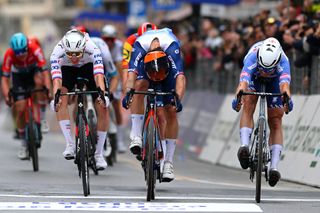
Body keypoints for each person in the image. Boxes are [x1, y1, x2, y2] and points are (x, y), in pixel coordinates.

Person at [122, 28, 186, 182]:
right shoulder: (139, 46)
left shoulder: (172, 47)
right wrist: (128, 93)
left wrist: (178, 98)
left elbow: (180, 78)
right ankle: (136, 134)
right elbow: (131, 75)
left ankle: (168, 162)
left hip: (167, 71)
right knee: (139, 85)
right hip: (146, 66)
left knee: (169, 111)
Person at [232, 37, 293, 187]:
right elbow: (244, 81)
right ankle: (245, 146)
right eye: (263, 69)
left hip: (275, 82)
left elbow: (284, 85)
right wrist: (239, 95)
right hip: (254, 77)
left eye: (269, 69)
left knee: (276, 121)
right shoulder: (253, 56)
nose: (265, 73)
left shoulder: (283, 62)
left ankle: (273, 167)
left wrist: (287, 99)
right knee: (248, 104)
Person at [50, 29, 109, 170]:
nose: (74, 57)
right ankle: (70, 144)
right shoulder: (56, 52)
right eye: (70, 54)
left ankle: (99, 154)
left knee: (103, 106)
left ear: (83, 47)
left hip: (88, 68)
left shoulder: (92, 47)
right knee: (61, 99)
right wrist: (56, 96)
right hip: (67, 70)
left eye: (77, 53)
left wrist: (102, 94)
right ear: (65, 49)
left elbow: (99, 75)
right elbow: (57, 81)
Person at [1, 32, 52, 159]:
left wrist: (48, 89)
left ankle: (43, 118)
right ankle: (23, 143)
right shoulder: (9, 54)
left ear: (27, 48)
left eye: (23, 51)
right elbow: (5, 78)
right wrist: (7, 95)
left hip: (34, 71)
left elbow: (45, 72)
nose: (21, 55)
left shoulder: (35, 49)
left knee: (40, 84)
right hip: (19, 76)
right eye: (17, 52)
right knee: (20, 108)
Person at [101, 24, 126, 153]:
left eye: (111, 39)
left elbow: (119, 66)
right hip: (101, 74)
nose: (109, 42)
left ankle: (120, 140)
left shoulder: (118, 45)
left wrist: (121, 84)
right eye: (107, 40)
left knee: (116, 105)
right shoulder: (99, 45)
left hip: (113, 75)